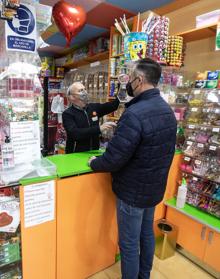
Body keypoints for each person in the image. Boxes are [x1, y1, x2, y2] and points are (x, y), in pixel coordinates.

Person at [88, 58, 177, 279]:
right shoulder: (167, 110)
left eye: (129, 77)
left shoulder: (135, 113)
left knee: (128, 244)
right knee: (146, 234)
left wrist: (94, 163)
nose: (127, 82)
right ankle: (144, 276)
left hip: (132, 193)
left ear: (139, 80)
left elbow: (114, 159)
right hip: (154, 189)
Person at [62, 81, 119, 153]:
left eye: (84, 89)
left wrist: (122, 86)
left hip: (94, 152)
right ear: (72, 97)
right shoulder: (68, 114)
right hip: (75, 154)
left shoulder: (93, 107)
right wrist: (99, 129)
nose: (84, 92)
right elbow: (75, 133)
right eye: (80, 90)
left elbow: (113, 105)